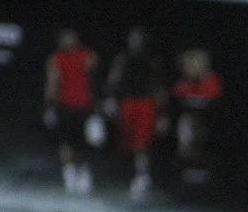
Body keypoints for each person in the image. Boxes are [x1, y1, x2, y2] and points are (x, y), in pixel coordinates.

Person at [104, 26, 167, 199]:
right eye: (134, 37)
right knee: (127, 143)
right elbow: (114, 81)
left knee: (142, 143)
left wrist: (161, 114)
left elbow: (158, 87)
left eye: (139, 38)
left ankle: (143, 177)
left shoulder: (153, 60)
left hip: (146, 104)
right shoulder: (122, 59)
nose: (136, 41)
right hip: (126, 103)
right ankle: (131, 177)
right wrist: (110, 99)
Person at [43, 28, 99, 195]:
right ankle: (69, 179)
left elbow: (94, 81)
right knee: (66, 143)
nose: (65, 41)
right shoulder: (56, 58)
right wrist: (49, 106)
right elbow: (52, 82)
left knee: (86, 144)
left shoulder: (88, 56)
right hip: (64, 106)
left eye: (69, 37)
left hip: (85, 107)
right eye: (63, 38)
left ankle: (84, 177)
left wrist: (98, 107)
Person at [169, 46, 222, 186]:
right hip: (189, 119)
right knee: (187, 133)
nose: (192, 66)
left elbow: (213, 99)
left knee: (201, 139)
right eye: (189, 64)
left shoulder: (211, 80)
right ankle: (189, 167)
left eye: (196, 63)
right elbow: (179, 97)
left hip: (209, 120)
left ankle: (203, 168)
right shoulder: (184, 82)